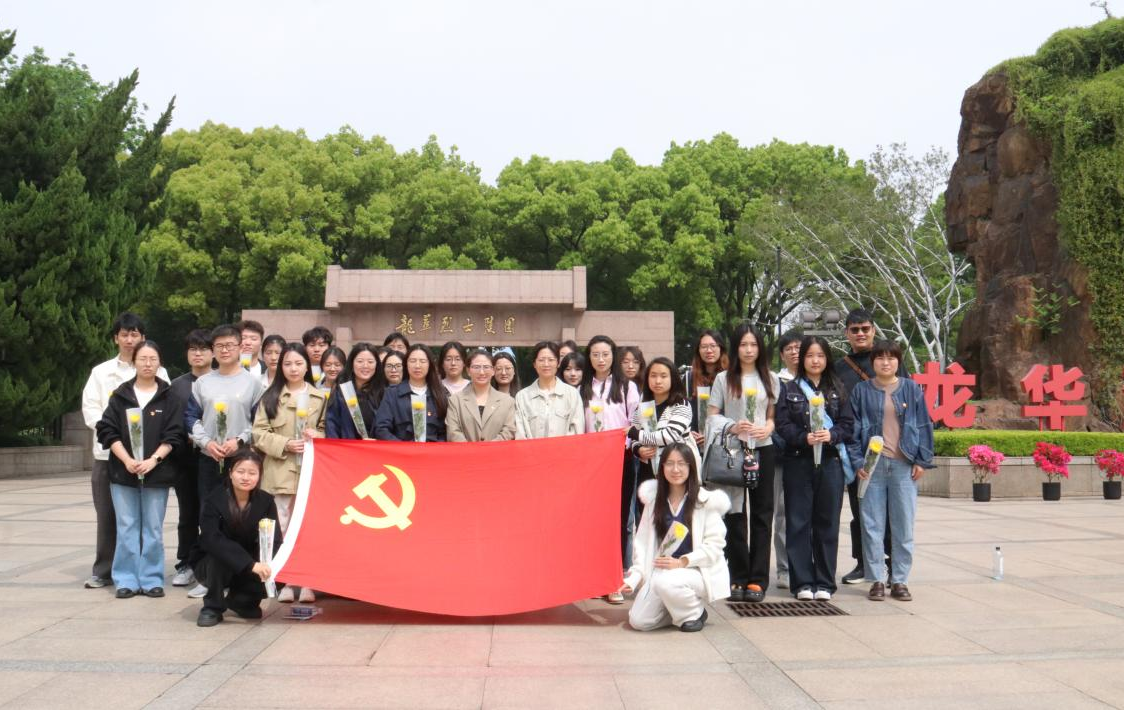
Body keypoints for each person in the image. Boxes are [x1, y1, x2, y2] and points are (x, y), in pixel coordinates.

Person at [80, 312, 169, 589]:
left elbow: (168, 416)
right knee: (109, 516)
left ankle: (145, 573)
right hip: (110, 455)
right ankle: (105, 570)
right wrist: (120, 438)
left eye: (135, 334)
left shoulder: (159, 372)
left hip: (150, 460)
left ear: (143, 337)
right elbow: (91, 410)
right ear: (115, 338)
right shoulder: (101, 372)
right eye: (124, 334)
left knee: (149, 520)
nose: (130, 339)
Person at [95, 341, 183, 599]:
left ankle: (152, 578)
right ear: (134, 361)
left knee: (153, 528)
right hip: (123, 473)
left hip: (157, 472)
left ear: (160, 362)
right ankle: (125, 579)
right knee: (126, 526)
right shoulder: (120, 395)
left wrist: (154, 460)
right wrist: (126, 460)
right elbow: (107, 430)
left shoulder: (169, 396)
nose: (147, 364)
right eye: (142, 358)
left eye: (152, 359)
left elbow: (174, 434)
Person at [849, 340, 934, 603]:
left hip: (903, 465)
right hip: (871, 466)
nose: (886, 363)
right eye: (880, 358)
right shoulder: (861, 390)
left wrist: (922, 460)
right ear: (873, 362)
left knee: (903, 526)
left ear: (898, 361)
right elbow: (852, 429)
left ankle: (899, 580)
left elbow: (924, 425)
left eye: (891, 358)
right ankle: (876, 579)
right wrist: (857, 462)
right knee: (871, 525)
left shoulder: (911, 388)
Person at [184, 324, 266, 598]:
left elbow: (259, 422)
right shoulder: (202, 383)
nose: (225, 350)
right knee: (209, 516)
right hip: (209, 459)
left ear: (240, 346)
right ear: (213, 350)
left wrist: (239, 441)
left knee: (241, 517)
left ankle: (241, 573)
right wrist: (206, 442)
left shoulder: (253, 383)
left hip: (241, 462)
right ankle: (208, 575)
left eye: (230, 345)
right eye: (219, 346)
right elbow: (190, 418)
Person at [774, 336, 853, 601]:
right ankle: (802, 583)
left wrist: (832, 435)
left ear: (827, 358)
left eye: (820, 355)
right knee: (798, 522)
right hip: (798, 461)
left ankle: (825, 582)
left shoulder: (838, 388)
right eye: (809, 355)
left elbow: (848, 424)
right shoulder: (789, 389)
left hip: (830, 462)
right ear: (802, 359)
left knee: (827, 523)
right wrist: (802, 437)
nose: (815, 361)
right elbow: (782, 424)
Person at [621, 443, 730, 632]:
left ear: (691, 467)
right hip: (662, 572)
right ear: (662, 467)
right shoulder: (654, 500)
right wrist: (634, 578)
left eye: (681, 463)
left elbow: (715, 546)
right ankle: (675, 608)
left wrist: (683, 562)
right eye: (669, 463)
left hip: (696, 571)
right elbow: (642, 543)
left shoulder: (705, 500)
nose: (675, 469)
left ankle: (693, 613)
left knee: (667, 582)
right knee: (639, 621)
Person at [705, 323, 779, 603]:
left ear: (760, 348)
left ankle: (758, 580)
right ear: (736, 348)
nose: (749, 350)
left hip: (763, 449)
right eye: (743, 345)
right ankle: (737, 575)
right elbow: (712, 415)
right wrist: (732, 426)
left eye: (754, 345)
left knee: (762, 514)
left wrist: (768, 427)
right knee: (734, 514)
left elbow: (771, 415)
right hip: (733, 452)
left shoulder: (771, 378)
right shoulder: (723, 379)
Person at [833, 308, 904, 585]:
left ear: (873, 330)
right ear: (847, 333)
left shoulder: (889, 359)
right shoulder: (839, 367)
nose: (860, 334)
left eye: (865, 329)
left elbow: (907, 400)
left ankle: (893, 565)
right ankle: (864, 563)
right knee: (860, 509)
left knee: (892, 512)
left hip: (892, 449)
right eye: (855, 330)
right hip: (857, 449)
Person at [252, 343, 326, 603]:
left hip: (310, 472)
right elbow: (258, 433)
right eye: (288, 364)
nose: (293, 369)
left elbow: (328, 429)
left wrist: (318, 435)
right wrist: (284, 444)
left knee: (307, 526)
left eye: (298, 363)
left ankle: (307, 581)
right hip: (279, 471)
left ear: (307, 366)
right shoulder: (270, 397)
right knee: (281, 526)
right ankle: (285, 580)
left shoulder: (320, 398)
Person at [581, 335, 640, 604]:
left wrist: (624, 441)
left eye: (605, 354)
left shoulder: (626, 386)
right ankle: (595, 578)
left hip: (620, 459)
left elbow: (635, 423)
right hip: (590, 462)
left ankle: (614, 579)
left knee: (619, 519)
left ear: (613, 356)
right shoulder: (582, 387)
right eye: (595, 354)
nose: (601, 359)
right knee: (593, 520)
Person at [194, 448, 282, 627]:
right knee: (217, 557)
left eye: (252, 473)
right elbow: (211, 538)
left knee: (278, 566)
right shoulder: (214, 499)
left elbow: (274, 538)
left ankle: (242, 600)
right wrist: (250, 564)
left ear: (259, 476)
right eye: (240, 471)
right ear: (230, 473)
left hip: (250, 560)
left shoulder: (266, 501)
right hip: (215, 562)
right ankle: (212, 607)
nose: (245, 477)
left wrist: (267, 562)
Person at [169, 329, 213, 588]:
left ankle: (208, 563)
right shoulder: (177, 386)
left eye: (203, 349)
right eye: (193, 349)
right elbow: (171, 421)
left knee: (210, 514)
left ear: (213, 353)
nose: (198, 354)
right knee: (187, 514)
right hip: (185, 461)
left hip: (213, 458)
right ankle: (185, 562)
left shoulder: (220, 381)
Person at [627, 357, 698, 484]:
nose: (658, 381)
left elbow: (669, 436)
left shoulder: (681, 404)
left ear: (673, 378)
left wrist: (636, 434)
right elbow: (634, 436)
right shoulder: (643, 405)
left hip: (676, 469)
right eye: (653, 376)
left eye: (663, 376)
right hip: (647, 471)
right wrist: (638, 450)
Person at [772, 330, 802, 590]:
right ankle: (784, 568)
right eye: (789, 348)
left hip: (808, 456)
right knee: (781, 513)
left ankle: (804, 565)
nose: (794, 352)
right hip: (782, 456)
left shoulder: (815, 381)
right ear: (782, 355)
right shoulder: (775, 382)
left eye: (798, 347)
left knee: (806, 513)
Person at [375, 344, 449, 441]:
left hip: (432, 449)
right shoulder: (392, 393)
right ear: (406, 364)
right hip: (400, 449)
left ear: (429, 365)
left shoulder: (440, 393)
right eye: (413, 361)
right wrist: (404, 448)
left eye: (422, 361)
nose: (417, 365)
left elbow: (445, 432)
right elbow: (381, 429)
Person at [514, 341, 585, 439]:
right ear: (534, 364)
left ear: (558, 363)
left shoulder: (572, 394)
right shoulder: (522, 397)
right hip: (531, 449)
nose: (546, 364)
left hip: (565, 449)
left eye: (551, 360)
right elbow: (520, 433)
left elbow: (577, 430)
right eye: (541, 360)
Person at [446, 349, 517, 441]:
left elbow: (509, 431)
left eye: (486, 367)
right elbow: (453, 432)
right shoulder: (455, 400)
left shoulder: (508, 402)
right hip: (464, 450)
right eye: (476, 367)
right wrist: (470, 449)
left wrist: (489, 448)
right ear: (468, 370)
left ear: (493, 370)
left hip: (498, 449)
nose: (481, 372)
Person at [326, 342, 382, 439]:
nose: (365, 366)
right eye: (360, 361)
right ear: (352, 363)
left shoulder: (383, 391)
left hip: (376, 446)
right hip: (345, 446)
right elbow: (332, 424)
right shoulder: (341, 390)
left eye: (370, 362)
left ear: (377, 365)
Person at [686, 329, 728, 448]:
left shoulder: (730, 378)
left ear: (721, 348)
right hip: (693, 443)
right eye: (704, 347)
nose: (709, 350)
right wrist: (687, 432)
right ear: (698, 350)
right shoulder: (688, 378)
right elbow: (681, 409)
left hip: (722, 444)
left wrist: (712, 435)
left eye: (713, 346)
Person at [237, 320, 267, 384]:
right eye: (243, 338)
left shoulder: (268, 368)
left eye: (253, 339)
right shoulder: (229, 368)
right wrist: (242, 359)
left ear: (261, 344)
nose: (248, 343)